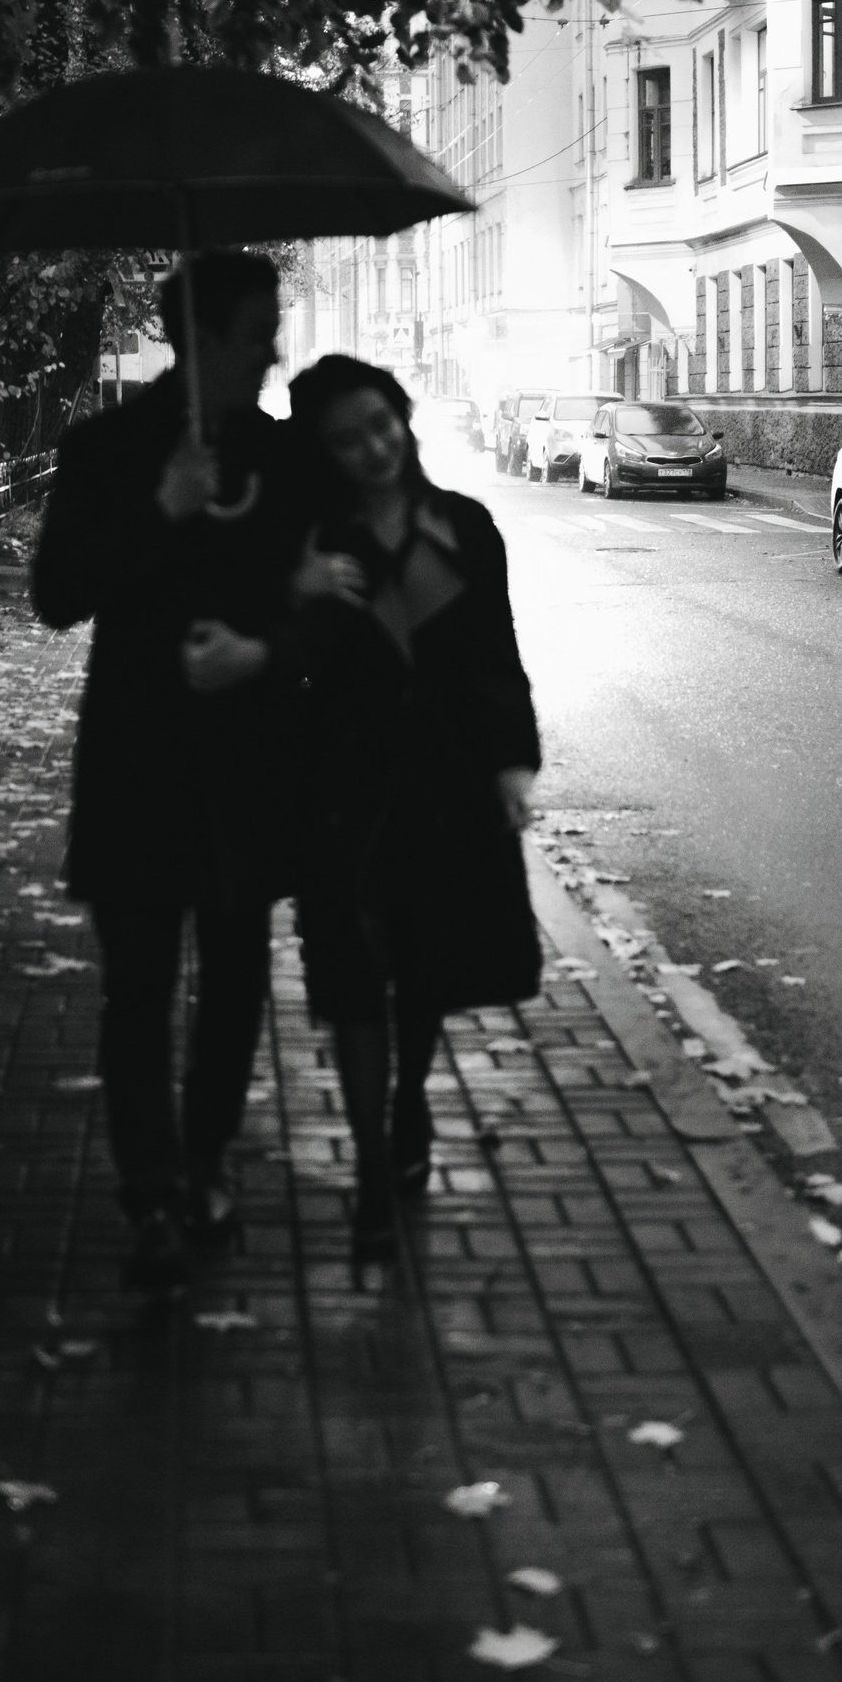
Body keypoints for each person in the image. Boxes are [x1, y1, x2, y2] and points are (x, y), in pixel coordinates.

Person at [32, 252, 296, 1291]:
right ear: (205, 339)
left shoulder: (280, 456)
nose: (273, 349)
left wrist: (263, 648)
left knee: (234, 984)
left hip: (247, 763)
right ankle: (150, 1190)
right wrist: (161, 513)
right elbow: (56, 594)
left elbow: (319, 596)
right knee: (138, 992)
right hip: (138, 762)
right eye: (258, 331)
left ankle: (206, 1160)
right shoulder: (105, 449)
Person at [283, 354, 541, 1262]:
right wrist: (297, 595)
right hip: (344, 793)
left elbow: (496, 654)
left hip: (445, 786)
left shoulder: (463, 527)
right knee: (357, 981)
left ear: (402, 419)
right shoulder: (312, 541)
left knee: (424, 972)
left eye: (380, 425)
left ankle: (406, 1102)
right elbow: (290, 671)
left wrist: (512, 765)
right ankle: (370, 1171)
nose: (372, 448)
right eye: (346, 439)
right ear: (324, 451)